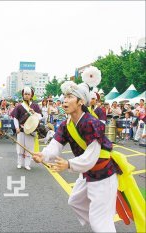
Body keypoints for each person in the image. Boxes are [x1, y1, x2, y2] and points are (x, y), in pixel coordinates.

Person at [32, 81, 121, 232]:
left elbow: (91, 156)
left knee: (100, 222)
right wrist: (43, 155)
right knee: (75, 201)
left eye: (70, 96)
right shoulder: (66, 125)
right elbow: (55, 145)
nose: (65, 100)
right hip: (87, 174)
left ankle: (101, 217)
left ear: (80, 102)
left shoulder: (92, 123)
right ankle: (100, 215)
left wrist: (68, 164)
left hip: (103, 175)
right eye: (65, 96)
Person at [10, 86, 42, 170]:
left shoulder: (35, 106)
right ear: (23, 95)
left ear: (31, 95)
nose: (27, 95)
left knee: (29, 147)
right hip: (21, 129)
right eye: (25, 94)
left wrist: (34, 112)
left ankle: (27, 164)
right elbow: (15, 118)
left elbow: (40, 117)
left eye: (28, 94)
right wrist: (16, 128)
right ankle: (19, 163)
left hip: (31, 130)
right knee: (20, 147)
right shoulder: (19, 106)